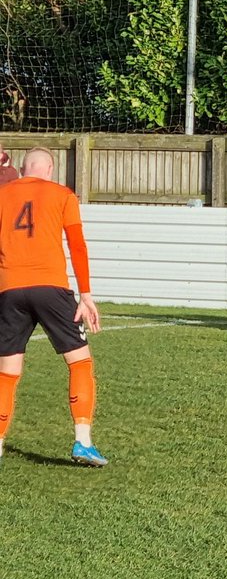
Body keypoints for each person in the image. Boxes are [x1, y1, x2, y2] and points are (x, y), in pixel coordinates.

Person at [0, 147, 104, 466]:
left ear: (22, 167)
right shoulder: (63, 194)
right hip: (51, 287)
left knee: (7, 372)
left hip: (9, 289)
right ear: (50, 168)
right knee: (79, 362)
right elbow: (77, 244)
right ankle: (83, 442)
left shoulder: (2, 194)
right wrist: (85, 295)